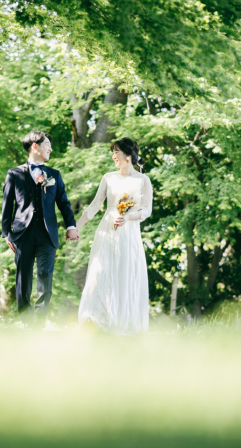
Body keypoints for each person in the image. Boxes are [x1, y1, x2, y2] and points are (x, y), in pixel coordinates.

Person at [76, 137, 153, 335]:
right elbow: (94, 206)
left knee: (124, 272)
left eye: (116, 151)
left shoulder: (143, 180)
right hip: (107, 231)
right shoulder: (108, 178)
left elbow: (146, 211)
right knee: (101, 272)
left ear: (128, 156)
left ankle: (121, 320)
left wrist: (128, 217)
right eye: (112, 152)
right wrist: (75, 227)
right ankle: (96, 319)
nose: (113, 156)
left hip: (129, 233)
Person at [1, 130, 79, 319]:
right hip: (22, 234)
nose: (50, 149)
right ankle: (26, 321)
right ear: (35, 146)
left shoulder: (55, 175)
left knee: (45, 274)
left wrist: (71, 226)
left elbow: (63, 203)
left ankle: (39, 322)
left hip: (47, 233)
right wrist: (7, 234)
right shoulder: (14, 174)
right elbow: (7, 205)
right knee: (23, 278)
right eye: (47, 145)